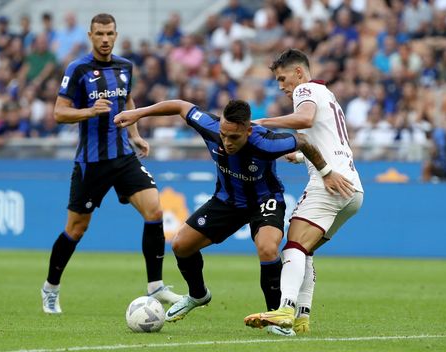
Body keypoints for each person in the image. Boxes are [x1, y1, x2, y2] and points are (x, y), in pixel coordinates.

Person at [114, 99, 354, 336]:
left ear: (248, 130)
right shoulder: (210, 126)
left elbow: (303, 140)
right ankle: (198, 295)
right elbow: (180, 106)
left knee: (268, 248)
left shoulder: (266, 142)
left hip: (264, 201)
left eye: (234, 137)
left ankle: (275, 317)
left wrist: (326, 173)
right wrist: (138, 113)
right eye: (223, 135)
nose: (227, 142)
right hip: (226, 201)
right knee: (180, 245)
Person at [40, 13, 182, 314]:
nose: (105, 39)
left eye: (110, 34)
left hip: (123, 156)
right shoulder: (78, 70)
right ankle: (50, 287)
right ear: (91, 36)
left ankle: (155, 286)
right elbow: (58, 113)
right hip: (91, 163)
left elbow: (127, 102)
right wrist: (89, 111)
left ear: (115, 35)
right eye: (99, 34)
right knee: (76, 229)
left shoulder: (125, 67)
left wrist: (135, 134)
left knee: (154, 210)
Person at [244, 48, 364, 334]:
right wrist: (300, 156)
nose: (281, 86)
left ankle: (285, 308)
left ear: (299, 72)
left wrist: (261, 123)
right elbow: (329, 138)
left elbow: (305, 119)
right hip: (353, 190)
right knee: (305, 250)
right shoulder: (328, 94)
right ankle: (302, 317)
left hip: (329, 184)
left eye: (283, 78)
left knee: (293, 246)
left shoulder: (305, 90)